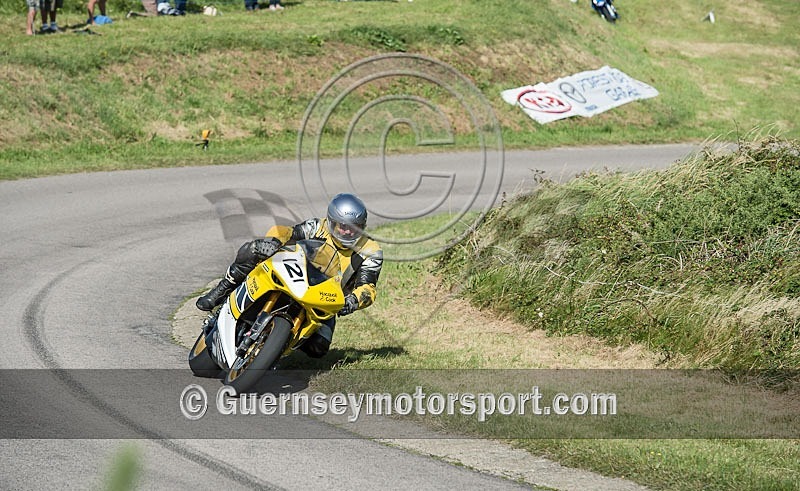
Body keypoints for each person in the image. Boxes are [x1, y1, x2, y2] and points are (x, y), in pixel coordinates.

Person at [196, 193, 383, 359]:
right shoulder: (318, 226)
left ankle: (274, 349)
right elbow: (288, 232)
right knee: (253, 250)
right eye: (343, 226)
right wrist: (274, 241)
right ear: (332, 221)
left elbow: (368, 288)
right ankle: (223, 289)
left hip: (326, 298)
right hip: (298, 274)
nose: (348, 232)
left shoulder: (371, 250)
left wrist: (352, 301)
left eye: (354, 227)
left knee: (318, 348)